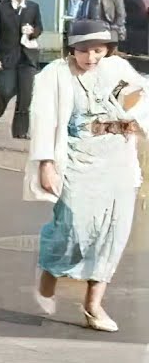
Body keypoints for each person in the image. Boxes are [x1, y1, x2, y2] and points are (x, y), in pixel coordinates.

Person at [27, 20, 145, 333]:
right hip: (77, 158)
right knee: (74, 226)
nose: (91, 57)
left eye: (98, 49)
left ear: (108, 49)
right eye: (83, 50)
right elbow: (44, 120)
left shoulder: (114, 70)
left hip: (117, 159)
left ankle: (93, 305)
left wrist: (131, 116)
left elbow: (137, 105)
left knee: (113, 232)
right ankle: (49, 273)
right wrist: (46, 163)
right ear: (71, 49)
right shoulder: (55, 75)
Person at [0, 0, 44, 139]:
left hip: (27, 57)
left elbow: (39, 27)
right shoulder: (0, 8)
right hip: (7, 57)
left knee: (25, 96)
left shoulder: (33, 7)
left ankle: (20, 132)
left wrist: (32, 32)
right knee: (6, 91)